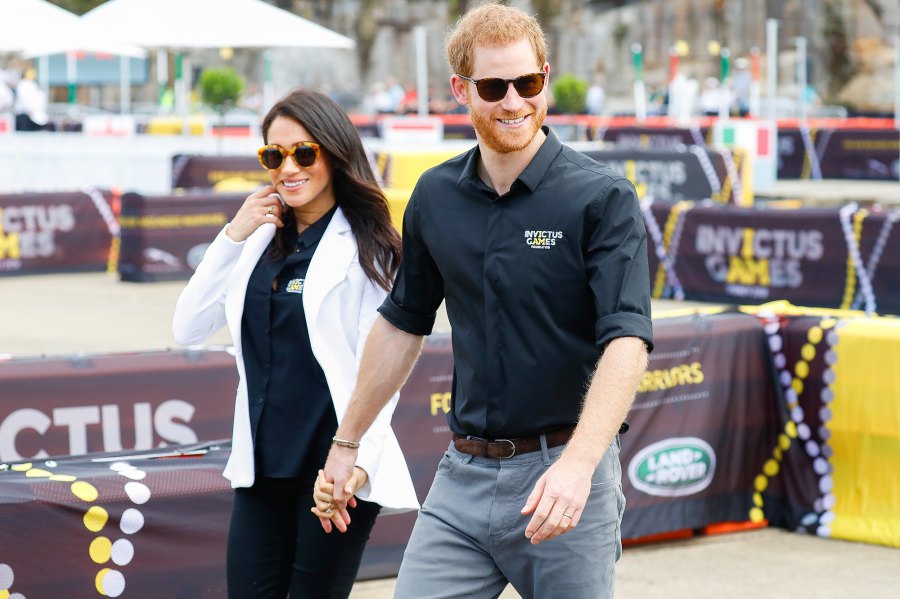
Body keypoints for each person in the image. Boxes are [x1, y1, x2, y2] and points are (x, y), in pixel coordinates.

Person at [318, 3, 653, 598]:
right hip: (462, 477)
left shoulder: (602, 196)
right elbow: (402, 323)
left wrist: (578, 468)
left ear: (544, 77)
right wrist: (347, 444)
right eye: (494, 87)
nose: (513, 102)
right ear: (461, 90)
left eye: (528, 83)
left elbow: (626, 339)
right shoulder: (435, 194)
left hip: (565, 474)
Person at [172, 89, 419, 599]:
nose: (288, 168)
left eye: (303, 153)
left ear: (333, 153)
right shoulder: (258, 240)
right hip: (261, 469)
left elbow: (383, 370)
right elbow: (188, 327)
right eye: (273, 155)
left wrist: (356, 460)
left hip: (332, 473)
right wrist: (231, 236)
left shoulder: (372, 250)